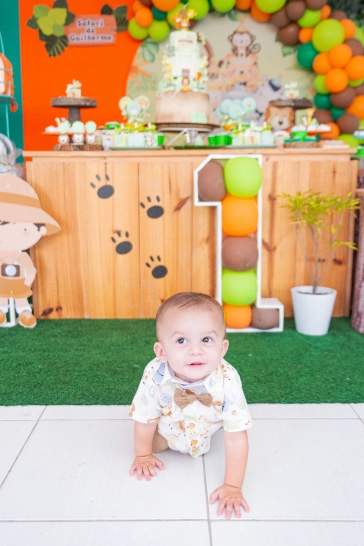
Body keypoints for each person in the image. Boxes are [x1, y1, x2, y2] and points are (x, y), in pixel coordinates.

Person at [129, 292, 252, 519]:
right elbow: (144, 418)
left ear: (223, 348)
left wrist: (233, 487)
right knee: (154, 442)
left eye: (206, 340)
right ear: (162, 352)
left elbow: (236, 436)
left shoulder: (228, 380)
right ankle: (161, 442)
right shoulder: (154, 374)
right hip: (169, 427)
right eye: (181, 341)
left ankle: (201, 435)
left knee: (222, 433)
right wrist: (143, 455)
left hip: (207, 427)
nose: (195, 350)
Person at [0, 173, 60, 328]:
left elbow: (31, 270)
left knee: (21, 300)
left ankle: (24, 313)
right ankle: (2, 312)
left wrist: (26, 283)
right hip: (2, 286)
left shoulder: (21, 257)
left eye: (25, 228)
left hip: (20, 287)